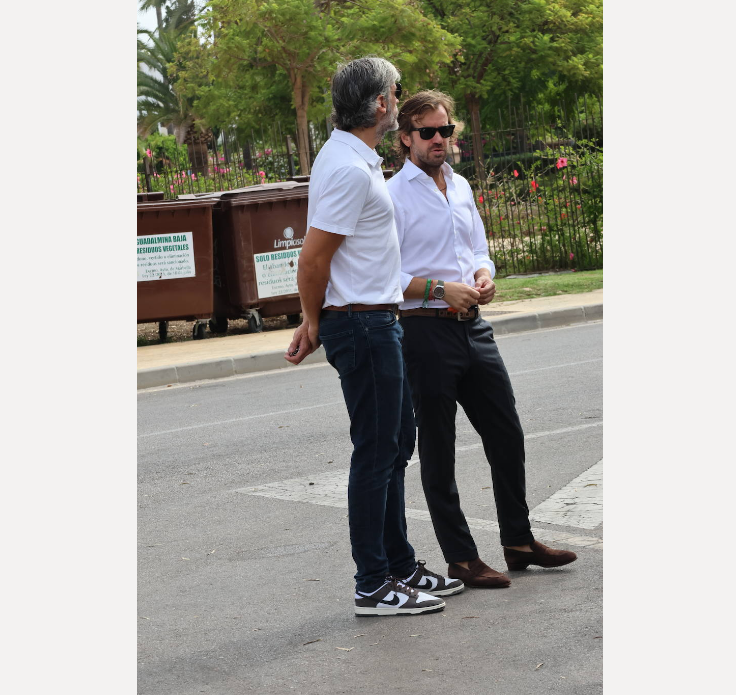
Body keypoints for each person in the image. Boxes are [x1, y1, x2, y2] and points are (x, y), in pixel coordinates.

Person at [284, 60, 463, 616]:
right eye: (396, 92)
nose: (398, 99)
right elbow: (314, 257)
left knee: (393, 446)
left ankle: (398, 566)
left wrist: (320, 317)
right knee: (376, 452)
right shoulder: (347, 168)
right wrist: (313, 320)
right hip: (361, 323)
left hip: (375, 319)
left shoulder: (353, 160)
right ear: (383, 104)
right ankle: (373, 582)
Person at [386, 90, 577, 588]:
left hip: (473, 326)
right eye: (427, 132)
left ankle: (518, 541)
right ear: (405, 138)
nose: (438, 140)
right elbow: (383, 274)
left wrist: (483, 274)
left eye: (445, 131)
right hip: (424, 329)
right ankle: (462, 558)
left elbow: (477, 246)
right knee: (440, 448)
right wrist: (438, 288)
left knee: (507, 433)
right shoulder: (392, 196)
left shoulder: (462, 186)